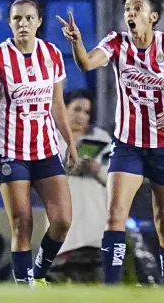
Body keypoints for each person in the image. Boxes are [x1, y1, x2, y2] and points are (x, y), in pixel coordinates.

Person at [58, 0, 164, 284]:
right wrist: (77, 42)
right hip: (128, 144)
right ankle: (112, 288)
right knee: (116, 214)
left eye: (137, 8)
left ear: (153, 16)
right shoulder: (117, 42)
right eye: (127, 9)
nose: (130, 13)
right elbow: (86, 62)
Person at [0, 0, 78, 286]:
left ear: (39, 22)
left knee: (62, 221)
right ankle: (25, 289)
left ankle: (38, 273)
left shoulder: (52, 54)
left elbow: (58, 104)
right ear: (9, 23)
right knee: (22, 224)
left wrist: (69, 142)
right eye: (17, 19)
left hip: (46, 149)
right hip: (11, 152)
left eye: (28, 18)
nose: (23, 24)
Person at [48, 90, 114, 283]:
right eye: (76, 109)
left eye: (86, 112)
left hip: (96, 224)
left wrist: (97, 169)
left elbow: (116, 183)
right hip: (64, 223)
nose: (81, 116)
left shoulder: (102, 139)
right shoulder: (49, 139)